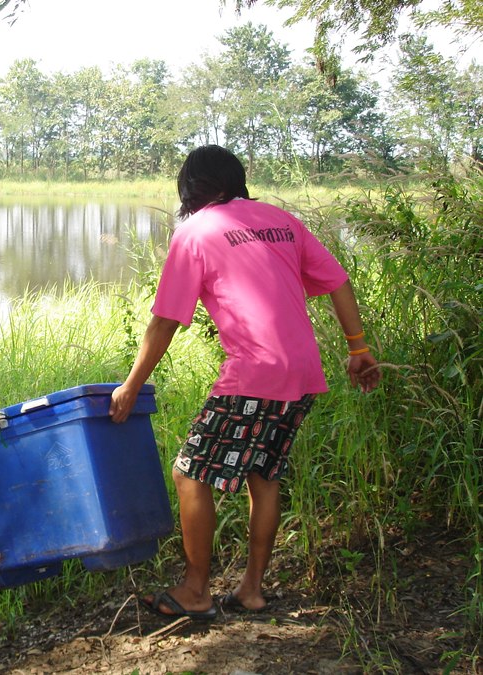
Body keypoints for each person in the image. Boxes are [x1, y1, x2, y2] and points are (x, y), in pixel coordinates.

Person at [109, 145, 381, 620]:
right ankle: (251, 590)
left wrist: (130, 385)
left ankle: (195, 590)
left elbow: (165, 320)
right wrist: (358, 349)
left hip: (255, 373)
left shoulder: (194, 232)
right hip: (301, 372)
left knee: (190, 472)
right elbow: (338, 280)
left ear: (190, 188)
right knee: (263, 475)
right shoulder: (280, 220)